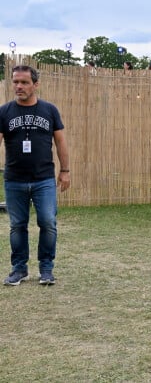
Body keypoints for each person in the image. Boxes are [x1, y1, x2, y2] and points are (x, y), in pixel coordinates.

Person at [0, 65, 70, 286]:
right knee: (17, 225)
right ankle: (19, 269)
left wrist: (65, 171)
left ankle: (46, 269)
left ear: (35, 84)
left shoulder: (49, 110)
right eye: (15, 82)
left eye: (24, 82)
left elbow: (60, 142)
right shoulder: (4, 111)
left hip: (43, 179)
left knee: (48, 222)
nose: (18, 86)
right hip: (14, 179)